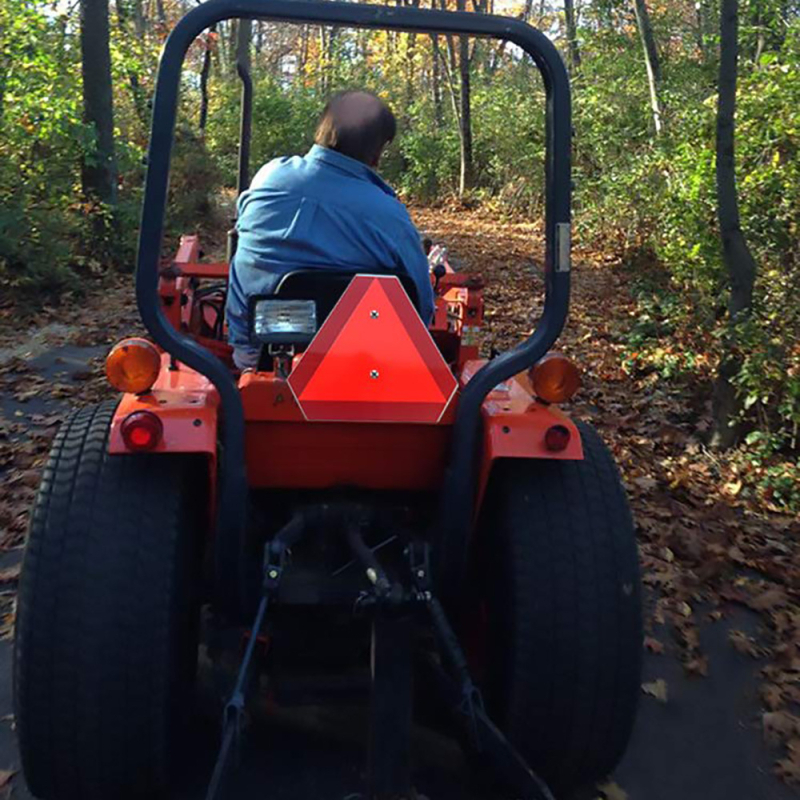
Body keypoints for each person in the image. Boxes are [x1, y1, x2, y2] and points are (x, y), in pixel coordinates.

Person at [226, 90, 434, 370]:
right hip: (362, 368)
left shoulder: (268, 177)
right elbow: (420, 311)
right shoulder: (389, 215)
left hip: (260, 360)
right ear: (376, 153)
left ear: (322, 130)